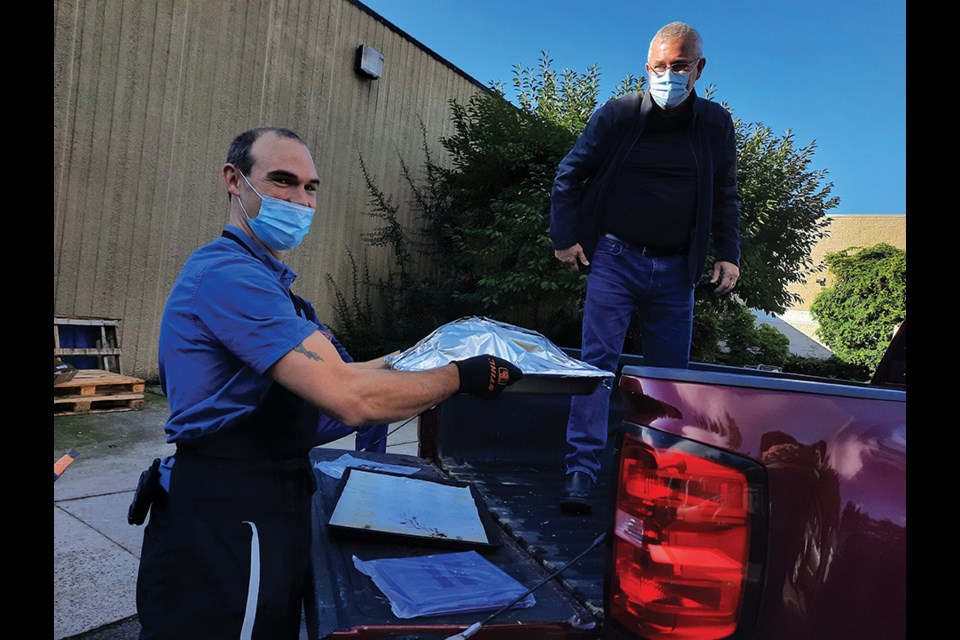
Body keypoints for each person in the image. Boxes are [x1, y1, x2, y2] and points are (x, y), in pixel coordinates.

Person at [133, 126, 523, 639]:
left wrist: (423, 354)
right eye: (282, 181)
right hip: (229, 514)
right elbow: (349, 399)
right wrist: (462, 376)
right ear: (234, 180)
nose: (300, 200)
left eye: (310, 187)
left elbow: (343, 375)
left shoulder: (271, 285)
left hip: (266, 497)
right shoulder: (231, 278)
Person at [549, 22, 741, 513]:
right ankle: (580, 470)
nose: (669, 76)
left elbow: (725, 195)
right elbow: (572, 172)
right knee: (596, 365)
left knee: (669, 379)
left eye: (679, 67)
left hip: (677, 271)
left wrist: (728, 253)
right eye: (660, 67)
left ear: (699, 69)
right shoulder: (618, 114)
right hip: (615, 258)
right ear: (647, 67)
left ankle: (660, 478)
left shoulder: (715, 125)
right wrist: (564, 237)